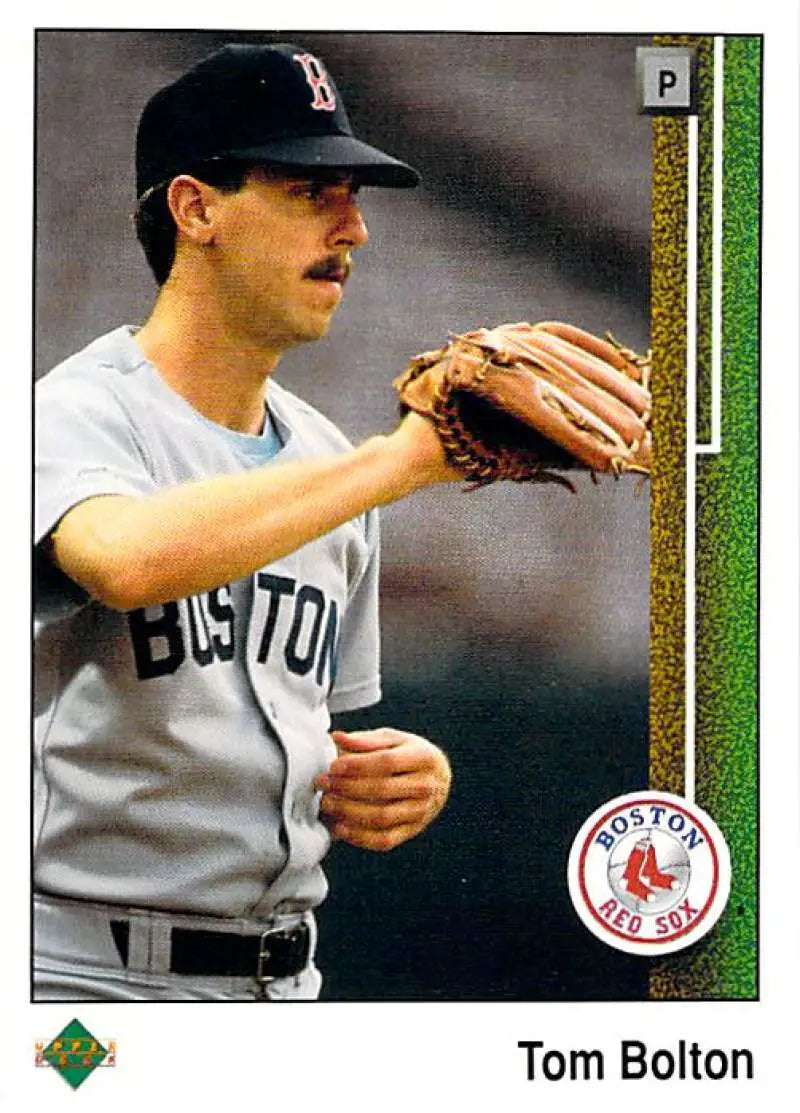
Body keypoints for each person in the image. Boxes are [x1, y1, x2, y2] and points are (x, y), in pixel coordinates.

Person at [34, 41, 460, 1003]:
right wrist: (397, 462)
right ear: (196, 209)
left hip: (282, 979)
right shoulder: (68, 414)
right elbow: (124, 560)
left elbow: (293, 732)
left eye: (354, 195)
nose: (355, 228)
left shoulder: (329, 459)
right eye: (311, 191)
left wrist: (401, 774)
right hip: (78, 980)